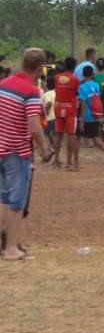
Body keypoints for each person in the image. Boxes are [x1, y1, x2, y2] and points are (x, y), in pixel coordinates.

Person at [1, 49, 53, 260]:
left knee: (3, 197)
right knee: (16, 201)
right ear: (40, 68)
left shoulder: (4, 84)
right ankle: (12, 249)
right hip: (17, 151)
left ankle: (5, 244)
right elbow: (34, 126)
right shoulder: (30, 91)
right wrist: (45, 148)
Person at [76, 64, 104, 166]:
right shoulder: (96, 85)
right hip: (95, 115)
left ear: (83, 74)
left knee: (77, 139)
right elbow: (97, 100)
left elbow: (83, 104)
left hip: (87, 117)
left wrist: (81, 120)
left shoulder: (82, 87)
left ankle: (75, 162)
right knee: (97, 139)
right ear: (92, 74)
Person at [50, 57, 80, 170]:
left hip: (58, 108)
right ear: (74, 66)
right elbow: (77, 94)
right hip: (70, 110)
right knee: (71, 135)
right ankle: (69, 163)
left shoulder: (57, 78)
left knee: (58, 135)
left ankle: (56, 161)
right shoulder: (75, 79)